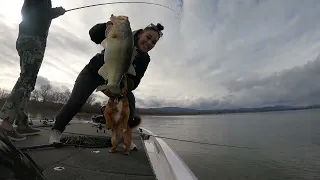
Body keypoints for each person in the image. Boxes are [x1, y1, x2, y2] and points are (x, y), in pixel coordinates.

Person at [49, 19, 164, 145]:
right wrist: (107, 26)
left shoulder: (145, 59)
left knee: (130, 102)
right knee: (76, 101)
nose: (149, 43)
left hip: (116, 79)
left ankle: (122, 135)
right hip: (95, 71)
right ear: (141, 33)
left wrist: (126, 83)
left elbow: (135, 82)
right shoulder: (122, 35)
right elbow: (94, 35)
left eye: (153, 42)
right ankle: (56, 131)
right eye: (148, 37)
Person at [0, 0, 66, 141]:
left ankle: (22, 123)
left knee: (28, 82)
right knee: (26, 80)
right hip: (33, 40)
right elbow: (38, 15)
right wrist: (56, 11)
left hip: (29, 39)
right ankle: (6, 125)